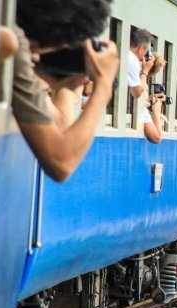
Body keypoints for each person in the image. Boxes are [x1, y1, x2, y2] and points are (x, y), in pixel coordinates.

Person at [12, 0, 119, 182]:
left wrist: (51, 77)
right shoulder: (13, 39)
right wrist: (103, 85)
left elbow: (58, 123)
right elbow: (61, 163)